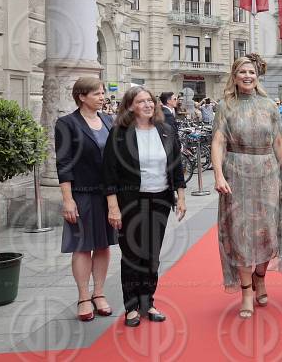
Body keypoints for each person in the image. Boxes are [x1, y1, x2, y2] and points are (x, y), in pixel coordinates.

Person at [211, 54, 282, 319]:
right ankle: (247, 291)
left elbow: (279, 145)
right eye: (242, 73)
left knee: (267, 232)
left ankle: (260, 276)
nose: (247, 76)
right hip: (236, 174)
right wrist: (218, 174)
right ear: (235, 77)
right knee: (240, 233)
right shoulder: (225, 106)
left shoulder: (270, 106)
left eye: (251, 72)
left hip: (267, 174)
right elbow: (217, 143)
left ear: (257, 76)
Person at [102, 87, 187, 327]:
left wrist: (180, 196)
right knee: (131, 255)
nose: (148, 105)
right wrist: (113, 207)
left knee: (151, 255)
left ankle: (147, 301)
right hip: (130, 201)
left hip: (159, 199)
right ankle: (131, 307)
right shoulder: (119, 133)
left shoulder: (167, 130)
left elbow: (177, 167)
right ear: (130, 106)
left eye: (150, 100)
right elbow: (109, 173)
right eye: (141, 101)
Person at [54, 77, 117, 322]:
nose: (103, 97)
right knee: (82, 247)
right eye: (97, 94)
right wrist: (67, 200)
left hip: (106, 194)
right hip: (80, 194)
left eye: (103, 93)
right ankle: (83, 297)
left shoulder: (108, 120)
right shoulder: (66, 123)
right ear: (82, 96)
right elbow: (64, 163)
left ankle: (99, 293)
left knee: (103, 245)